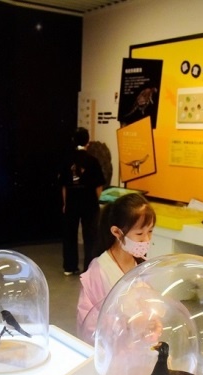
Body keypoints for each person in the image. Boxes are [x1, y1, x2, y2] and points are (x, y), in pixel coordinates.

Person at [77, 192, 156, 343]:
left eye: (150, 231)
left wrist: (154, 322)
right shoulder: (98, 271)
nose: (146, 239)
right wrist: (127, 325)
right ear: (116, 232)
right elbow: (88, 325)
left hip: (139, 348)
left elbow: (149, 304)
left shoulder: (143, 265)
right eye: (139, 233)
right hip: (114, 353)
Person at [60, 127, 106, 275]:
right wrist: (97, 202)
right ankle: (89, 268)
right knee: (90, 236)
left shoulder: (67, 159)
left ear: (74, 140)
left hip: (72, 201)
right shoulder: (93, 161)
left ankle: (69, 266)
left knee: (69, 234)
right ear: (88, 141)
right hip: (89, 203)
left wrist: (65, 203)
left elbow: (64, 186)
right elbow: (99, 186)